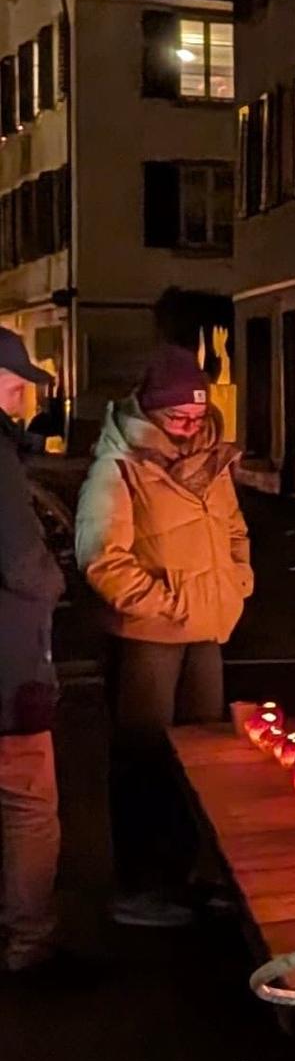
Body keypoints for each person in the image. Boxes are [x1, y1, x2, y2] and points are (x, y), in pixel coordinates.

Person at [76, 343, 252, 927]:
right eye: (177, 417)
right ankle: (141, 885)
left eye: (198, 417)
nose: (188, 427)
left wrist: (238, 582)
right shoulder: (118, 467)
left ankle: (190, 874)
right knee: (145, 756)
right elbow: (102, 559)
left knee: (201, 756)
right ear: (150, 411)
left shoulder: (212, 460)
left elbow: (233, 530)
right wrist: (168, 604)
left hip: (207, 626)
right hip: (149, 635)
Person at [0, 327, 66, 979]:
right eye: (14, 378)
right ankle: (31, 943)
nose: (22, 392)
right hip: (8, 663)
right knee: (28, 803)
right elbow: (22, 560)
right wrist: (55, 580)